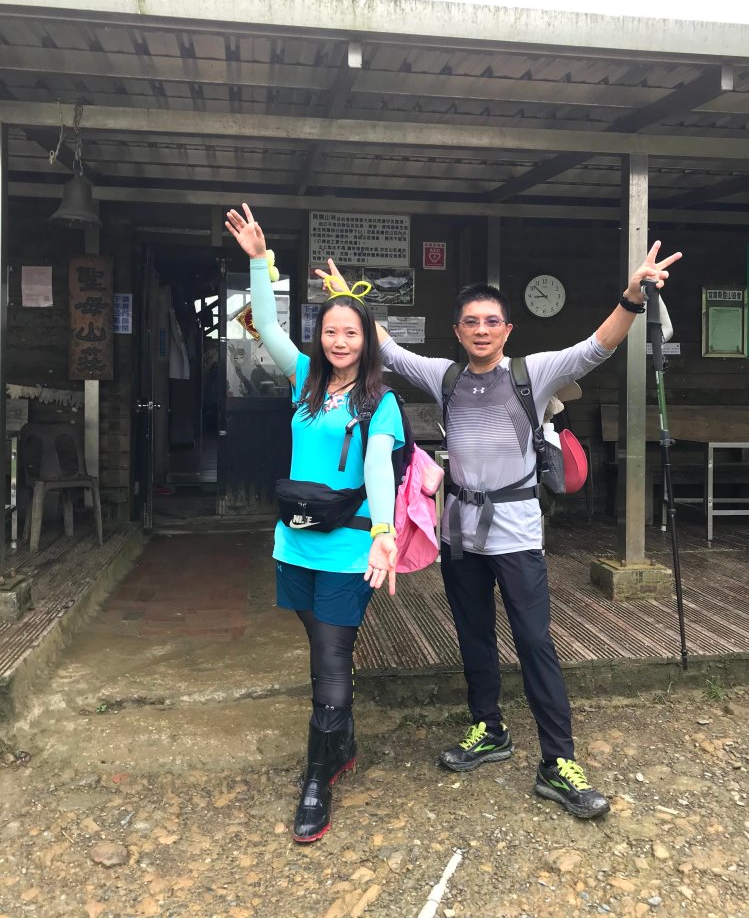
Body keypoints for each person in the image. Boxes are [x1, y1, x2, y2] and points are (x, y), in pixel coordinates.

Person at [317, 242, 681, 820]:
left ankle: (557, 761)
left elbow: (598, 346)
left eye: (491, 322)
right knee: (474, 637)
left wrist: (632, 298)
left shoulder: (533, 373)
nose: (481, 330)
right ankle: (488, 728)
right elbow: (386, 346)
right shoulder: (445, 377)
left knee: (535, 643)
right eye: (471, 322)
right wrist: (344, 298)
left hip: (517, 536)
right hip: (459, 535)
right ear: (457, 331)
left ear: (507, 329)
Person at [225, 204, 404, 844]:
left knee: (330, 661)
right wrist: (259, 262)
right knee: (320, 645)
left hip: (349, 548)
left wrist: (384, 534)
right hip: (294, 542)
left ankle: (317, 780)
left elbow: (379, 467)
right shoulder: (303, 378)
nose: (339, 341)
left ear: (367, 340)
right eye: (331, 331)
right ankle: (343, 738)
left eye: (351, 333)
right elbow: (267, 324)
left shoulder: (380, 402)